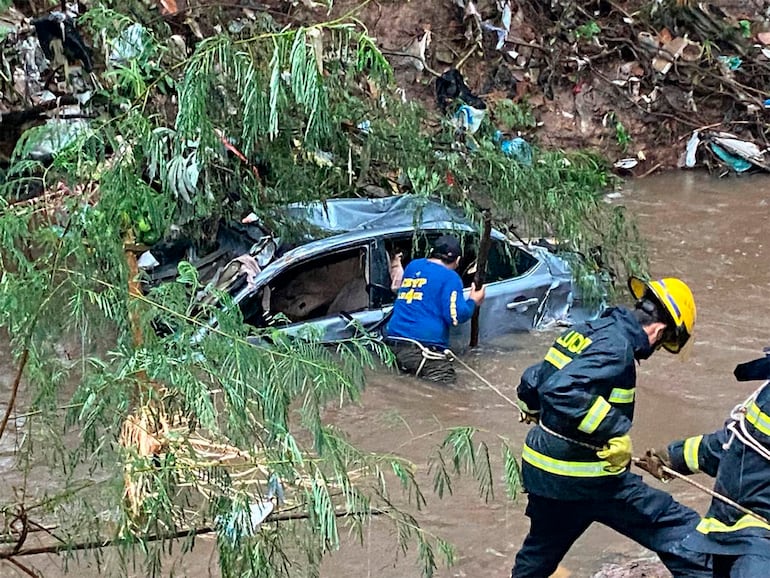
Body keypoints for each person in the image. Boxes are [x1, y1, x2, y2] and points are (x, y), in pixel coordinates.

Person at [511, 276, 712, 578]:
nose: (656, 350)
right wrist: (613, 431)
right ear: (659, 330)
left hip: (543, 473)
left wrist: (533, 405)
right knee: (677, 527)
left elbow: (534, 378)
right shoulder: (616, 349)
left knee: (540, 553)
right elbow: (562, 390)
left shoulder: (586, 331)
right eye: (663, 343)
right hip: (586, 479)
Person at [638, 348, 770, 578]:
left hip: (756, 541)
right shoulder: (765, 398)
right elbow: (734, 443)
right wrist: (672, 458)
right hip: (734, 533)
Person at [384, 234, 485, 384]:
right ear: (458, 260)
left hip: (393, 343)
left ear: (431, 252)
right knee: (449, 392)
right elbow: (455, 316)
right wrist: (473, 301)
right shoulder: (450, 277)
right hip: (422, 350)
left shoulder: (413, 266)